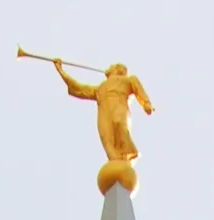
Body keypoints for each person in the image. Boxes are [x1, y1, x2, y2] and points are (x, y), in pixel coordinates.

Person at [55, 61, 154, 190]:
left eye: (112, 66)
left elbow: (139, 90)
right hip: (104, 110)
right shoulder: (100, 88)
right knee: (106, 137)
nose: (109, 67)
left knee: (119, 123)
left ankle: (127, 153)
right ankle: (115, 160)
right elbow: (79, 88)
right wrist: (61, 71)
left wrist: (146, 103)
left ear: (118, 69)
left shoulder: (128, 80)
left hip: (119, 104)